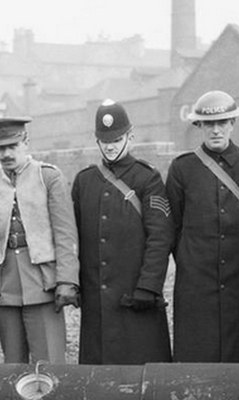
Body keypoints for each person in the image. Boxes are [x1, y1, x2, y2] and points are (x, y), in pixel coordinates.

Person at [166, 90, 239, 363]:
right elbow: (173, 227)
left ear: (232, 124)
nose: (216, 130)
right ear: (198, 126)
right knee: (197, 358)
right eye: (209, 124)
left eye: (222, 123)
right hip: (196, 285)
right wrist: (191, 262)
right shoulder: (182, 169)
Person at [71, 100, 172, 364]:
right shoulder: (84, 181)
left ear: (130, 137)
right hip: (96, 297)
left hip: (135, 294)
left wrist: (149, 286)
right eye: (104, 140)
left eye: (116, 139)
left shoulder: (148, 178)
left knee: (140, 369)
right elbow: (73, 238)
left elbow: (160, 237)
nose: (110, 146)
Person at [0, 117, 79, 364]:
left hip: (43, 284)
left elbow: (65, 234)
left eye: (13, 146)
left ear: (26, 142)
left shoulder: (48, 177)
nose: (7, 154)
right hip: (4, 286)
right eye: (0, 148)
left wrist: (67, 280)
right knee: (12, 368)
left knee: (50, 365)